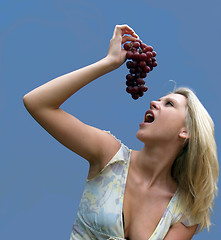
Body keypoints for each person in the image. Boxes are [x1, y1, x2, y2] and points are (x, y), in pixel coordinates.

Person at [23, 24, 219, 240]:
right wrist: (108, 63)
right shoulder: (110, 156)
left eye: (169, 104)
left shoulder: (186, 212)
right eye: (159, 99)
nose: (154, 102)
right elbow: (37, 103)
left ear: (186, 132)